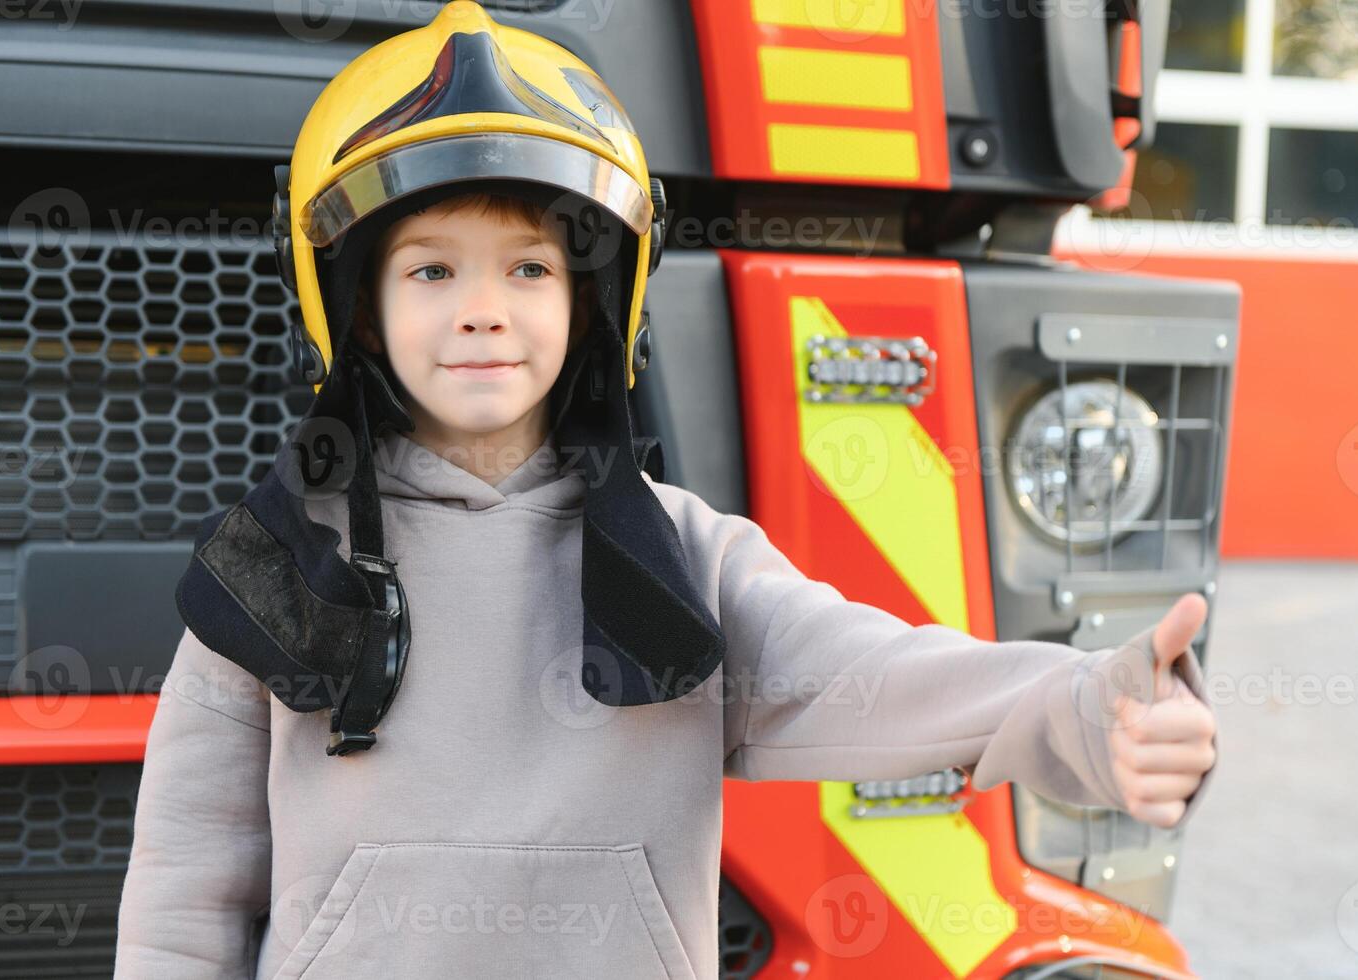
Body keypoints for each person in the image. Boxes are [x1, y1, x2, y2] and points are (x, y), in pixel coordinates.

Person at [113, 3, 1220, 978]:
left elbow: (881, 676)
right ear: (357, 310)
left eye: (531, 268)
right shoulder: (273, 564)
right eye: (432, 268)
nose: (484, 308)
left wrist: (1089, 707)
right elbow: (185, 875)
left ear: (595, 302)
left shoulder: (685, 559)